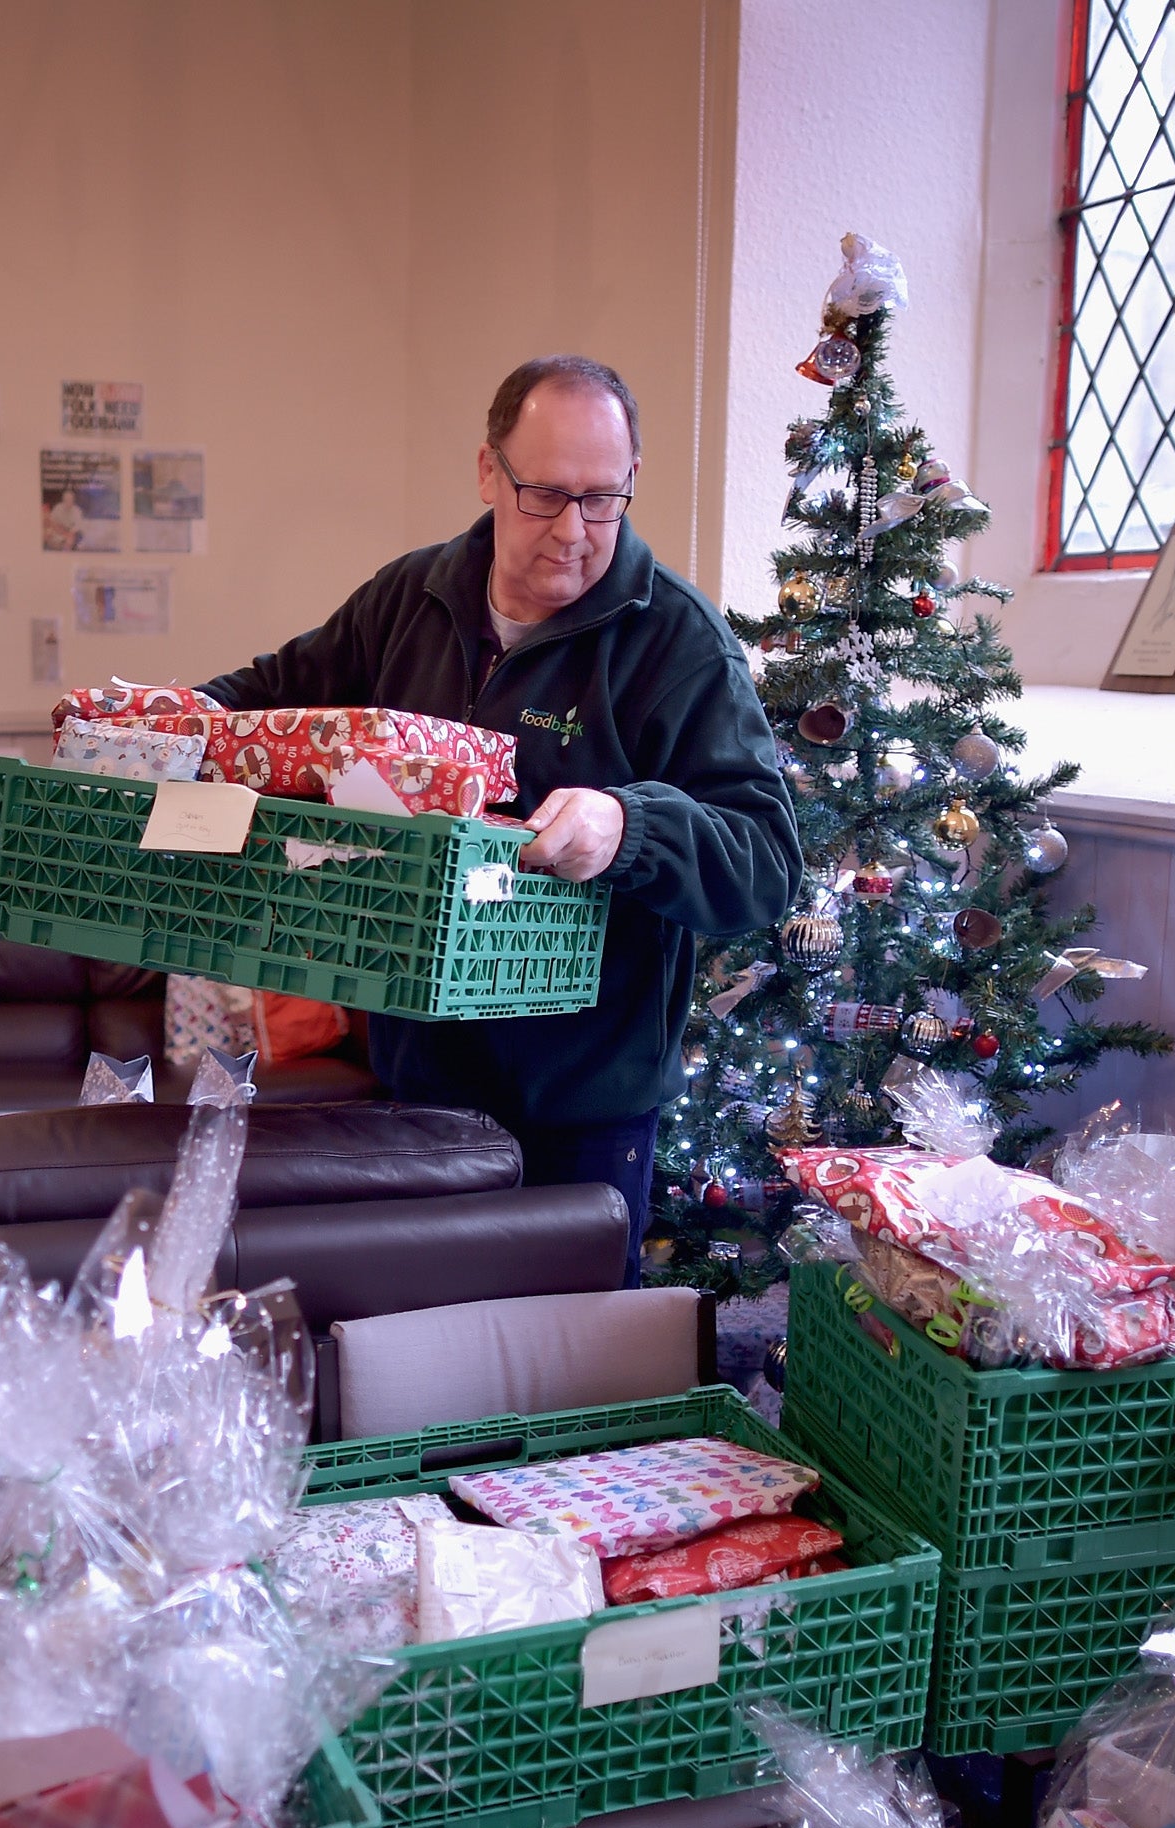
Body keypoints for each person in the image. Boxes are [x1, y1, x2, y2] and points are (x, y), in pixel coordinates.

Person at [198, 355, 804, 1283]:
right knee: (421, 1359)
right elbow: (273, 697)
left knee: (563, 1374)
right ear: (488, 472)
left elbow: (764, 860)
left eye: (604, 499)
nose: (573, 531)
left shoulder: (678, 639)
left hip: (581, 1109)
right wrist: (170, 716)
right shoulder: (412, 598)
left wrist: (627, 826)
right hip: (416, 1083)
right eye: (544, 495)